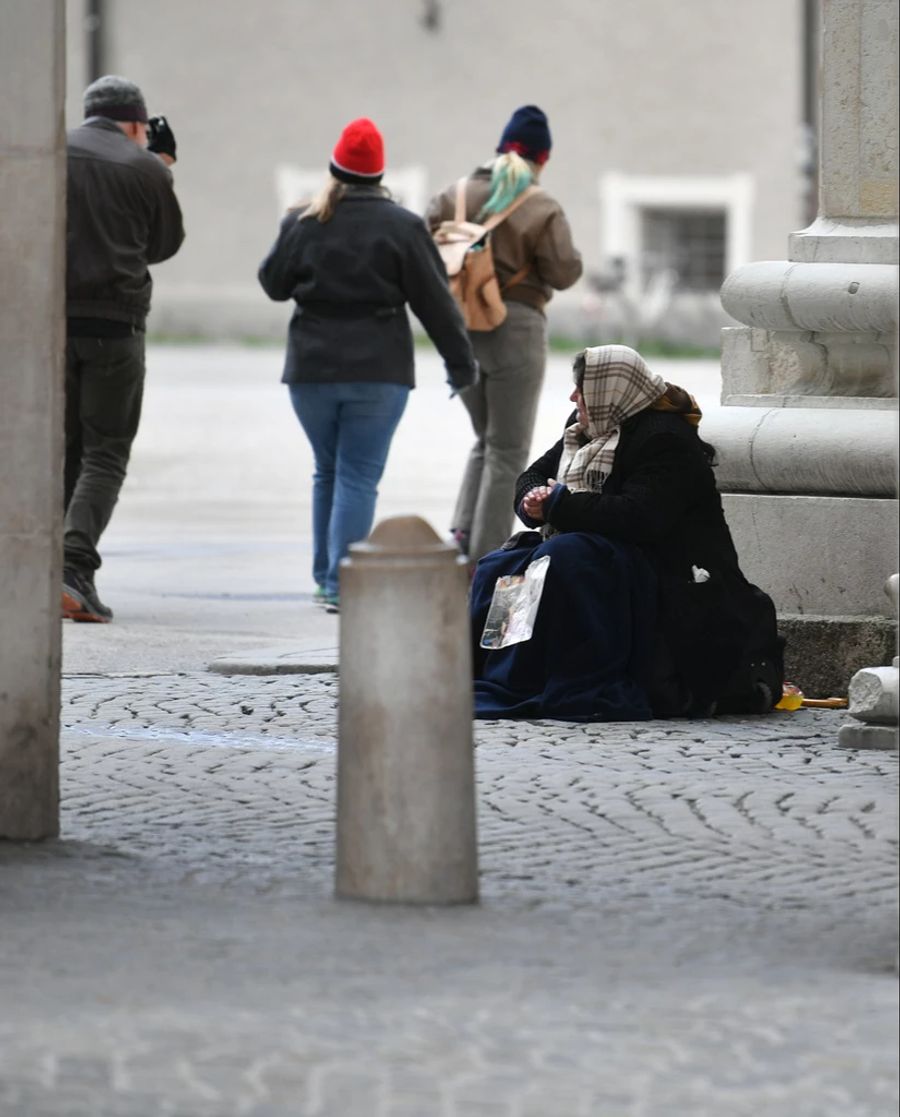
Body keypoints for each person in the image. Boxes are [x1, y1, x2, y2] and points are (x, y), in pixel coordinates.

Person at [470, 345, 784, 721]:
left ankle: (563, 676)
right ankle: (503, 676)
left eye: (582, 389)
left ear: (609, 391)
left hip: (668, 576)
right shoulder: (587, 426)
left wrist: (559, 504)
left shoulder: (665, 439)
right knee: (499, 566)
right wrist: (533, 499)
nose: (574, 397)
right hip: (607, 552)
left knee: (566, 558)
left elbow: (639, 517)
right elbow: (534, 474)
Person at [258, 118, 478, 613]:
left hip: (311, 371)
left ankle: (324, 578)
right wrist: (461, 365)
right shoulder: (402, 226)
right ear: (380, 175)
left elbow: (273, 284)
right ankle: (341, 583)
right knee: (357, 475)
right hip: (379, 372)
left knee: (328, 470)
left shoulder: (303, 220)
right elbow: (434, 303)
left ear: (334, 169)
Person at [426, 105, 582, 564]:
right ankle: (483, 559)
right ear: (543, 158)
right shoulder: (541, 205)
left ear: (499, 149)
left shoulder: (453, 196)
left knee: (486, 439)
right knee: (508, 449)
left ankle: (462, 532)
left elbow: (419, 248)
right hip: (516, 330)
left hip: (458, 331)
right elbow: (565, 271)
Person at [63, 75, 185, 623]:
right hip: (115, 324)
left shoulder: (49, 152)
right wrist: (160, 171)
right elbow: (162, 245)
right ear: (136, 124)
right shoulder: (143, 168)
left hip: (52, 324)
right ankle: (71, 566)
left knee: (61, 448)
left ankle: (46, 567)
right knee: (105, 451)